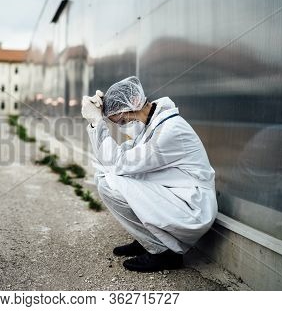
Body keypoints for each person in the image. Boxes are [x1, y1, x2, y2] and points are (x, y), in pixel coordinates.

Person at [81, 76, 218, 272]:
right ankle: (147, 239)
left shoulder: (170, 130)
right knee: (108, 176)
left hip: (192, 207)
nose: (122, 122)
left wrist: (96, 122)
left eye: (121, 117)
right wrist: (104, 112)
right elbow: (119, 158)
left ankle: (164, 252)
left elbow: (119, 162)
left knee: (110, 181)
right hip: (176, 194)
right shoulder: (152, 124)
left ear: (132, 105)